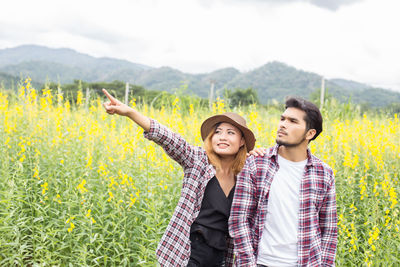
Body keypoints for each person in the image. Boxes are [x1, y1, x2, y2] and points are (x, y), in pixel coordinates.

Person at [101, 89, 256, 267]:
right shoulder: (198, 160)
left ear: (242, 141)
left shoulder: (245, 175)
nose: (222, 137)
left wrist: (257, 155)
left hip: (219, 257)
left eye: (230, 133)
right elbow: (168, 138)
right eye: (218, 132)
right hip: (187, 253)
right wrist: (130, 112)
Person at [229, 97, 337, 266]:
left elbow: (329, 230)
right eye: (282, 119)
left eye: (293, 121)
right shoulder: (256, 164)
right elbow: (239, 220)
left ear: (310, 133)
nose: (283, 125)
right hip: (261, 262)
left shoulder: (323, 173)